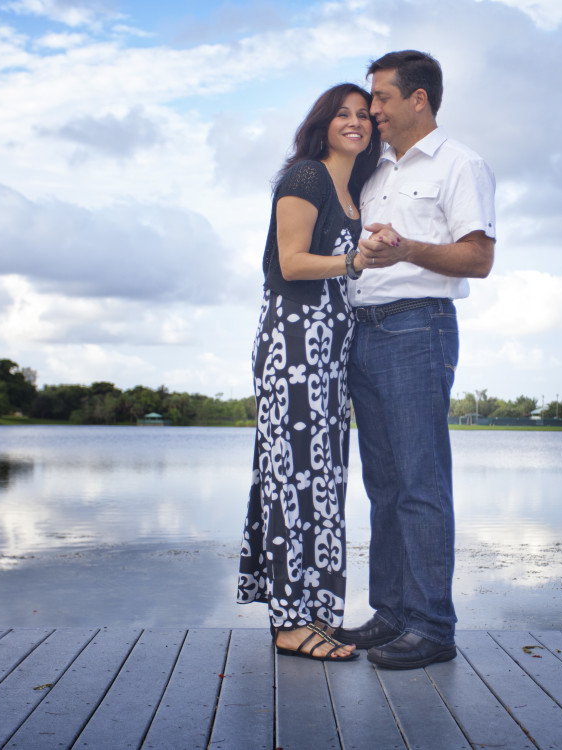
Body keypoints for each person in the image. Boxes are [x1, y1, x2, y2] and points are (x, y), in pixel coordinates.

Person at [337, 51, 496, 670]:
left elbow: (477, 259)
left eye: (380, 97)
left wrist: (406, 249)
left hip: (416, 329)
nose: (371, 109)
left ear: (418, 99)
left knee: (421, 485)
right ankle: (393, 614)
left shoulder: (462, 164)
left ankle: (433, 627)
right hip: (364, 332)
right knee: (385, 485)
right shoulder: (375, 170)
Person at [236, 84, 381, 661]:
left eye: (365, 115)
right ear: (322, 124)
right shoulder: (305, 177)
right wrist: (354, 260)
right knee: (291, 479)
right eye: (342, 114)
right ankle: (289, 623)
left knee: (323, 481)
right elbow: (292, 263)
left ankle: (317, 615)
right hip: (294, 341)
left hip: (330, 350)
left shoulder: (354, 189)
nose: (356, 122)